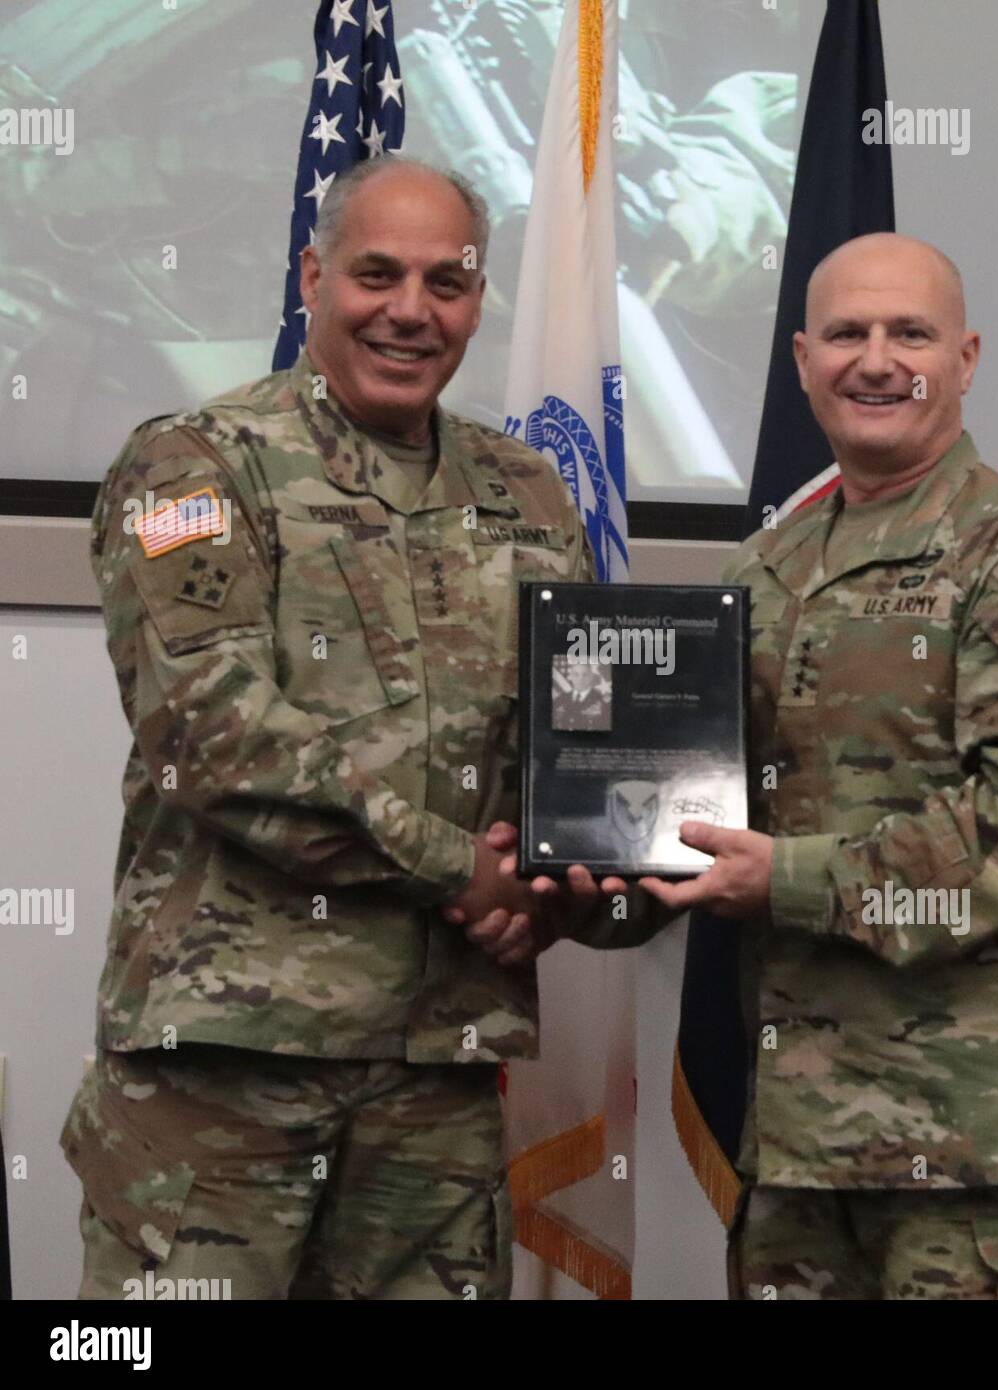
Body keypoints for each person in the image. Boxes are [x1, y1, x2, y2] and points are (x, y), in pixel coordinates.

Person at [60, 155, 622, 1300]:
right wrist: (457, 870)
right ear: (314, 277)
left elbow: (579, 745)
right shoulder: (197, 463)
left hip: (437, 1080)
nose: (411, 310)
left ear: (478, 298)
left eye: (447, 281)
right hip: (223, 1073)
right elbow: (212, 731)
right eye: (376, 274)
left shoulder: (529, 493)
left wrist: (572, 878)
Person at [636, 232, 998, 1299]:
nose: (876, 360)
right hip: (799, 1148)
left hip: (989, 1156)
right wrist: (577, 871)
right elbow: (684, 806)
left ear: (964, 357)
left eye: (909, 332)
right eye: (847, 333)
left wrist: (785, 877)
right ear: (801, 359)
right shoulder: (764, 572)